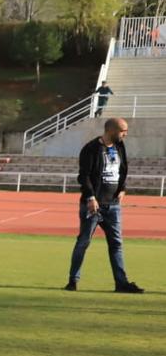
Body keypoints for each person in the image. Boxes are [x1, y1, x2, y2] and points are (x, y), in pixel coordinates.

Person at [65, 118, 143, 293]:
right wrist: (91, 197)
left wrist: (122, 188)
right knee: (83, 242)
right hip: (93, 205)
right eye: (123, 130)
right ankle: (73, 280)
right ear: (111, 130)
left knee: (116, 243)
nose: (126, 134)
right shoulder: (91, 149)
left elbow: (123, 169)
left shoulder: (120, 146)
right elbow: (83, 176)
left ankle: (121, 283)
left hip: (113, 205)